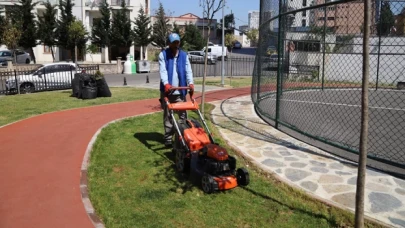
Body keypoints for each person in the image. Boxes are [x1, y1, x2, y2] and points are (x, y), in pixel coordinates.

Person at [159, 33, 194, 147]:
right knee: (168, 115)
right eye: (173, 42)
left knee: (183, 115)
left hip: (181, 90)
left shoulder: (184, 55)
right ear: (169, 43)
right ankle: (168, 138)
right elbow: (163, 71)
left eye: (177, 42)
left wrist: (191, 83)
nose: (175, 45)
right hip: (168, 91)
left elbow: (188, 70)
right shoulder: (163, 55)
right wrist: (166, 84)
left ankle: (183, 136)